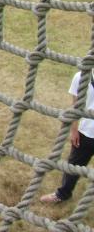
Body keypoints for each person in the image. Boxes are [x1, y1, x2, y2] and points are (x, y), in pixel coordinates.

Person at [40, 70, 94, 204]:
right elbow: (75, 106)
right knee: (73, 166)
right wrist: (74, 130)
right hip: (86, 131)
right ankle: (63, 194)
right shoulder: (81, 77)